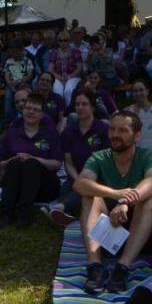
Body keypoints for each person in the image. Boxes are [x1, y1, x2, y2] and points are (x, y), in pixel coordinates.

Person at [75, 111, 152, 293]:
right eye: (113, 129)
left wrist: (125, 201)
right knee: (89, 196)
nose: (115, 135)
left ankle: (122, 268)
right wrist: (115, 194)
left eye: (123, 130)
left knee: (148, 201)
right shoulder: (99, 157)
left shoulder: (148, 156)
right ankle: (95, 267)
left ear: (136, 135)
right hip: (108, 235)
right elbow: (80, 183)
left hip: (142, 234)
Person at [0, 93, 63, 228]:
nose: (31, 112)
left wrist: (35, 159)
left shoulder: (50, 134)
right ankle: (6, 213)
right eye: (28, 108)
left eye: (35, 110)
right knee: (15, 162)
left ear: (42, 114)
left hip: (44, 186)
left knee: (30, 163)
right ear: (23, 111)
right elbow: (0, 165)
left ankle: (24, 214)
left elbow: (57, 165)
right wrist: (12, 160)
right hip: (18, 186)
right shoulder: (12, 133)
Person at [47, 90, 110, 226]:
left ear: (92, 107)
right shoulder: (68, 132)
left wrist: (84, 180)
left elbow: (107, 160)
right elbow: (68, 162)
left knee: (79, 192)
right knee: (68, 190)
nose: (80, 107)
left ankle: (60, 208)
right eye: (77, 104)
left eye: (84, 104)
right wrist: (78, 178)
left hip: (99, 177)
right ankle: (67, 211)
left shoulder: (103, 130)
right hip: (74, 177)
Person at [3, 39, 35, 120]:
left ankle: (27, 114)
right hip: (11, 85)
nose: (14, 54)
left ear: (21, 50)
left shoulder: (27, 60)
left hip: (24, 84)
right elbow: (6, 75)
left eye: (16, 51)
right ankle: (8, 118)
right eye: (12, 52)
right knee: (8, 96)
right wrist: (10, 84)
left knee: (26, 94)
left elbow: (29, 75)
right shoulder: (8, 61)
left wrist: (20, 82)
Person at [48, 31, 84, 103]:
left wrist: (69, 77)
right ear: (58, 42)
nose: (63, 42)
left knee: (68, 91)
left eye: (65, 40)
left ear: (69, 41)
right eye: (60, 40)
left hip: (73, 77)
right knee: (58, 92)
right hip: (58, 77)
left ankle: (68, 110)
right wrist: (59, 77)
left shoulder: (75, 52)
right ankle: (59, 110)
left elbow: (79, 68)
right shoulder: (54, 52)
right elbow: (50, 69)